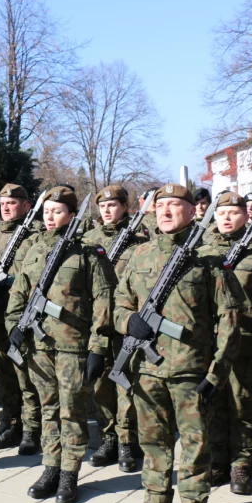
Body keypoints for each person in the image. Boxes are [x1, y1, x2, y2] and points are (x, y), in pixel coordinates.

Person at [113, 183, 244, 503]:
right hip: (146, 368)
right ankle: (156, 501)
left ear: (192, 211)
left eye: (175, 205)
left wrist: (216, 374)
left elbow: (230, 323)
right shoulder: (139, 256)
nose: (167, 211)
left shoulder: (210, 259)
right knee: (152, 440)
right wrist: (128, 322)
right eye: (161, 205)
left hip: (191, 369)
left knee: (194, 442)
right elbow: (118, 304)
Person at [7, 186, 116, 503]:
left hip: (73, 346)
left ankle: (70, 473)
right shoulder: (34, 249)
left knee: (72, 413)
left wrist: (98, 346)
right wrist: (14, 325)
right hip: (39, 347)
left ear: (71, 214)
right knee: (49, 410)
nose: (50, 217)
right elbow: (19, 292)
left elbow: (104, 301)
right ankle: (50, 467)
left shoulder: (88, 252)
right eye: (46, 211)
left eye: (57, 211)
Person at [199, 192, 252, 493]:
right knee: (212, 401)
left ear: (246, 216)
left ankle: (241, 464)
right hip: (210, 343)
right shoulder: (201, 251)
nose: (227, 218)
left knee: (241, 403)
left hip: (244, 344)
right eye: (222, 213)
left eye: (234, 212)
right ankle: (218, 459)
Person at [78, 185, 148, 472]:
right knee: (100, 384)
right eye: (103, 206)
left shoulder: (140, 241)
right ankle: (107, 437)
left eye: (113, 206)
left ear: (124, 207)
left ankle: (127, 441)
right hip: (96, 322)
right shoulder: (87, 240)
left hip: (125, 323)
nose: (107, 211)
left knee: (125, 383)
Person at [0, 183, 43, 452]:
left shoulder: (36, 237)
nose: (6, 207)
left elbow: (40, 276)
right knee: (6, 374)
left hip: (22, 317)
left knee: (27, 375)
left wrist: (11, 281)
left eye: (13, 202)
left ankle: (32, 429)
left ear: (27, 206)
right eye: (3, 202)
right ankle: (11, 422)